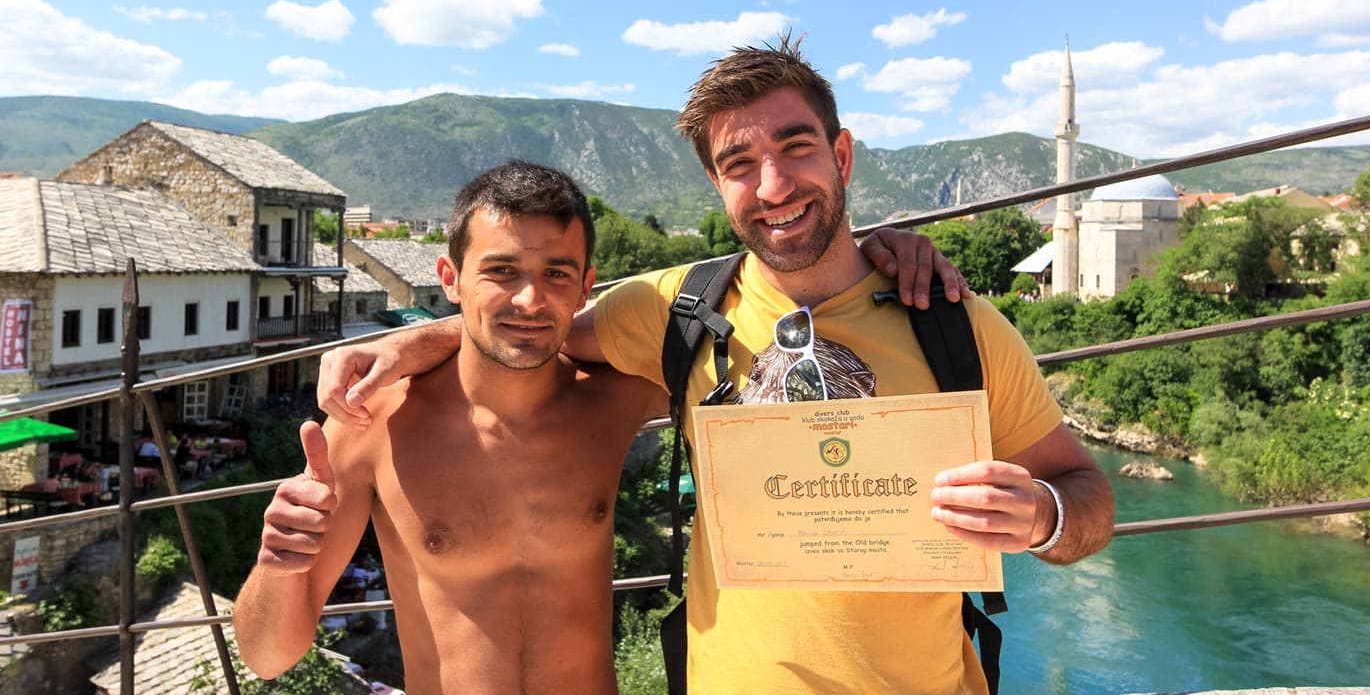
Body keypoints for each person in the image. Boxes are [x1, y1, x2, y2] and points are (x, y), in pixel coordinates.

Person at [318, 36, 1114, 694]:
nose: (773, 185)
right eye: (739, 163)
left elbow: (1088, 498)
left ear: (841, 153)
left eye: (796, 146)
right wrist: (410, 339)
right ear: (716, 182)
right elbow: (535, 326)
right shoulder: (673, 310)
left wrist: (1043, 515)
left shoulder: (954, 324)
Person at [233, 161, 668, 695]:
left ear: (585, 287)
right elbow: (267, 656)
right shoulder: (372, 422)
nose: (529, 300)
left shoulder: (614, 396)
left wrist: (413, 340)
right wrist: (277, 564)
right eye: (501, 271)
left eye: (557, 273)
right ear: (450, 279)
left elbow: (735, 333)